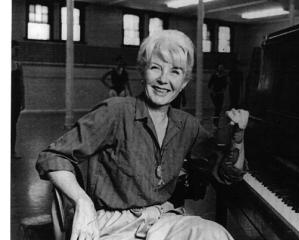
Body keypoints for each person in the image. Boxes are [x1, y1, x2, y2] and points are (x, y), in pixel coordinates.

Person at [36, 30, 249, 240]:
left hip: (162, 219)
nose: (163, 79)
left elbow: (228, 174)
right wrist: (82, 202)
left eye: (175, 71)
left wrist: (238, 134)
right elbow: (53, 156)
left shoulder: (187, 125)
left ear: (184, 83)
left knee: (214, 233)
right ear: (143, 72)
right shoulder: (115, 111)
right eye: (156, 68)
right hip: (113, 226)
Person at [11, 40, 25, 159]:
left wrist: (23, 100)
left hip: (15, 99)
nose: (17, 52)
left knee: (12, 125)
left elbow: (21, 84)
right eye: (16, 49)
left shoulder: (18, 65)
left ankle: (12, 151)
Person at [208, 63, 228, 127]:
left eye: (222, 68)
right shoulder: (214, 75)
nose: (221, 69)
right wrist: (212, 92)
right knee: (217, 108)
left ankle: (216, 122)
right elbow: (209, 84)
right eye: (220, 67)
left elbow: (225, 84)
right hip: (215, 94)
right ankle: (215, 123)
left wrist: (223, 89)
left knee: (219, 108)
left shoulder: (224, 76)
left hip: (220, 94)